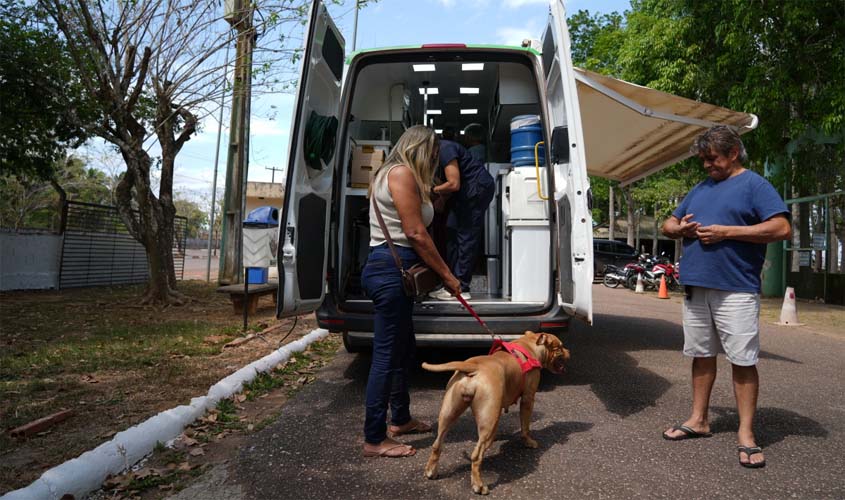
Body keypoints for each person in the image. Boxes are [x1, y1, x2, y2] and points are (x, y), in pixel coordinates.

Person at [661, 125, 791, 469]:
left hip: (736, 287)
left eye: (712, 158)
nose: (706, 165)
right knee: (700, 354)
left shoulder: (755, 185)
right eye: (703, 159)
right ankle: (698, 420)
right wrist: (680, 229)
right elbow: (667, 224)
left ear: (733, 152)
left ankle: (746, 434)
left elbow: (781, 228)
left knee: (743, 359)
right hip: (696, 284)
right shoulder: (701, 188)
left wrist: (727, 232)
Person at [360, 125, 461, 458]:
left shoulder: (389, 174)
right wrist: (447, 274)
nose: (435, 159)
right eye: (433, 153)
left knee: (403, 349)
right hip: (393, 268)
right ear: (421, 148)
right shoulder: (401, 173)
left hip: (388, 266)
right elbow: (416, 233)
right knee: (387, 357)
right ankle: (374, 438)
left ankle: (400, 419)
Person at [428, 137, 495, 300]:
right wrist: (442, 199)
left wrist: (430, 190)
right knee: (450, 232)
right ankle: (451, 283)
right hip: (464, 193)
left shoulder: (445, 148)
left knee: (466, 236)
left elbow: (453, 183)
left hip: (475, 189)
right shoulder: (438, 155)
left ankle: (462, 287)